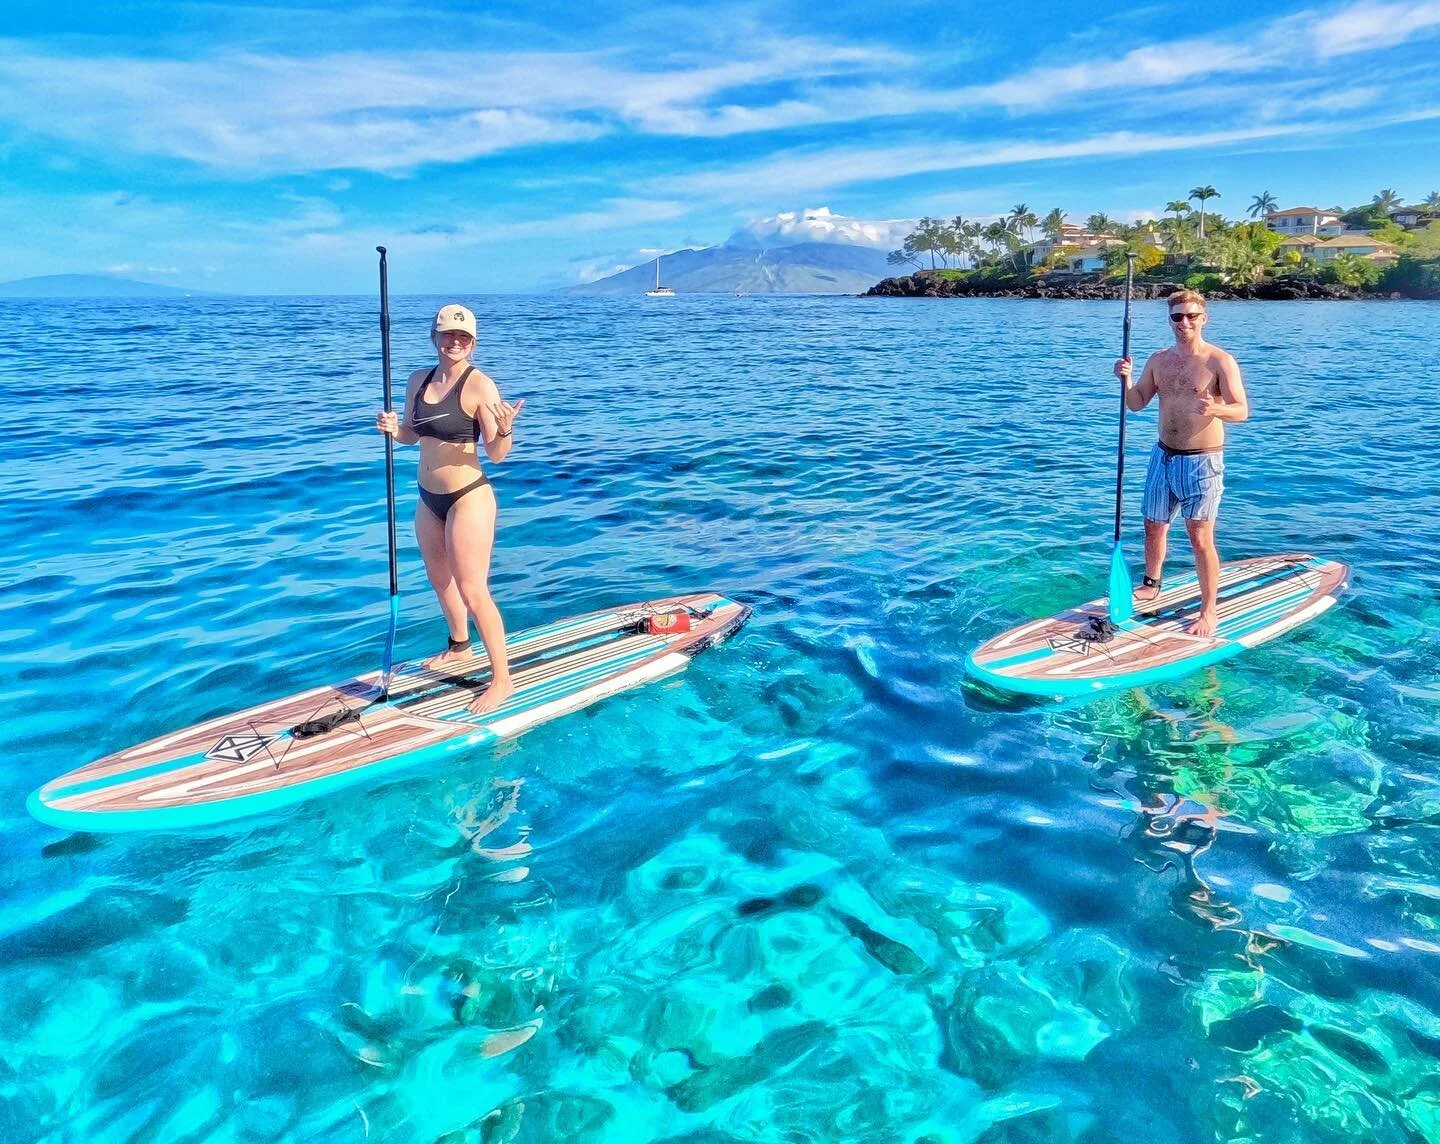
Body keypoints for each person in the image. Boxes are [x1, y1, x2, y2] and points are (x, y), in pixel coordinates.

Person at [375, 304, 524, 713]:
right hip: (427, 497)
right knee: (440, 579)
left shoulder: (480, 386)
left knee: (473, 588)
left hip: (469, 497)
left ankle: (503, 680)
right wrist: (394, 430)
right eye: (448, 335)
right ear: (435, 337)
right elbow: (412, 434)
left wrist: (506, 427)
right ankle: (460, 646)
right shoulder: (417, 380)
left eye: (464, 337)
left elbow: (497, 454)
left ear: (473, 343)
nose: (455, 342)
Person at [1113, 289, 1248, 638]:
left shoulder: (1219, 361)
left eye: (1191, 316)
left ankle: (1208, 611)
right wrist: (1126, 380)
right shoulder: (1158, 360)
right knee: (1153, 526)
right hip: (1163, 456)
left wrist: (1216, 409)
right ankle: (1151, 583)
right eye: (1177, 316)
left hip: (1202, 462)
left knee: (1200, 537)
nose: (1184, 322)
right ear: (1169, 320)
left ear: (1204, 318)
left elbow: (1241, 410)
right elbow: (1137, 403)